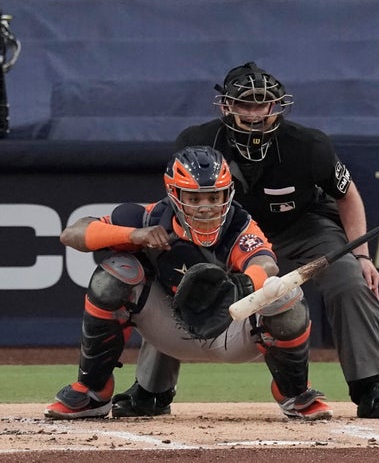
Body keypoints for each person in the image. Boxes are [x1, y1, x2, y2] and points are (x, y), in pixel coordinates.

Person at [118, 61, 379, 419]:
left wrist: (362, 256)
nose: (254, 113)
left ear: (275, 105)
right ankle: (151, 389)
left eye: (261, 104)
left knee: (350, 279)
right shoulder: (196, 141)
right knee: (184, 279)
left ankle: (371, 385)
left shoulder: (309, 145)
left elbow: (347, 195)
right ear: (227, 106)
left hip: (303, 228)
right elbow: (179, 200)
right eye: (244, 104)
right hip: (226, 232)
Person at [44, 146, 332, 421]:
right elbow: (72, 233)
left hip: (230, 329)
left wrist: (243, 285)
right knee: (114, 273)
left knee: (284, 293)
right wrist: (133, 236)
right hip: (171, 329)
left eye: (214, 197)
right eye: (195, 199)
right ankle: (93, 392)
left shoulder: (239, 223)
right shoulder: (150, 216)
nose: (206, 208)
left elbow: (265, 263)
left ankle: (295, 393)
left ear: (227, 195)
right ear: (174, 195)